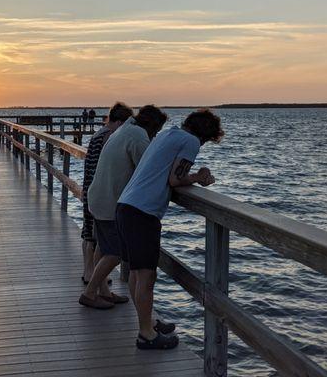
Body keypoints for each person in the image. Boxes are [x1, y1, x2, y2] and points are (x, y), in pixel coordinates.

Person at [116, 108, 224, 350]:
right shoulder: (191, 141)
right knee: (146, 275)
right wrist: (198, 177)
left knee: (136, 273)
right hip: (142, 212)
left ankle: (148, 322)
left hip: (126, 206)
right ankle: (146, 335)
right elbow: (175, 179)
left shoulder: (168, 134)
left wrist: (193, 175)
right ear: (205, 135)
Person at [79, 105, 168, 310]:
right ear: (152, 126)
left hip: (98, 197)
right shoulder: (138, 136)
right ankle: (90, 293)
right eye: (157, 130)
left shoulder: (124, 130)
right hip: (110, 201)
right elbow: (147, 168)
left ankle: (103, 292)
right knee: (116, 251)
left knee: (103, 247)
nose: (156, 135)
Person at [81, 102, 134, 286]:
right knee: (97, 238)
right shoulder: (110, 136)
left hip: (89, 188)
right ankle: (94, 279)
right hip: (101, 190)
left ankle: (91, 275)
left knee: (89, 232)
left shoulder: (98, 134)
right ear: (120, 122)